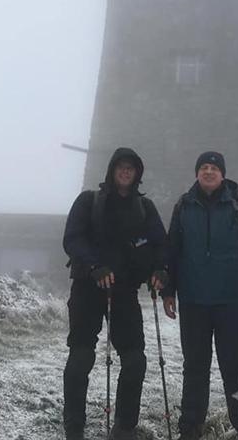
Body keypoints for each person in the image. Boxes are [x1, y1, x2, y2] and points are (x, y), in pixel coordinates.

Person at [162, 151, 238, 440]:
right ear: (197, 173)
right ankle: (190, 429)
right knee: (195, 369)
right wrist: (168, 291)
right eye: (203, 168)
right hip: (193, 301)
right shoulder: (183, 207)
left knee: (237, 368)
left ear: (223, 174)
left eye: (214, 168)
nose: (208, 172)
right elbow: (172, 252)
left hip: (232, 301)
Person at [62, 147, 168, 440]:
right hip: (88, 287)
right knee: (81, 356)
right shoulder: (88, 201)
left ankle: (124, 426)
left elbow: (161, 243)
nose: (125, 171)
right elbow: (72, 237)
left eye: (131, 168)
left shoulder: (145, 209)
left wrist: (160, 269)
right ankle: (74, 426)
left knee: (135, 360)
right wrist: (94, 265)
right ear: (111, 170)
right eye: (120, 166)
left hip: (124, 292)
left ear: (137, 174)